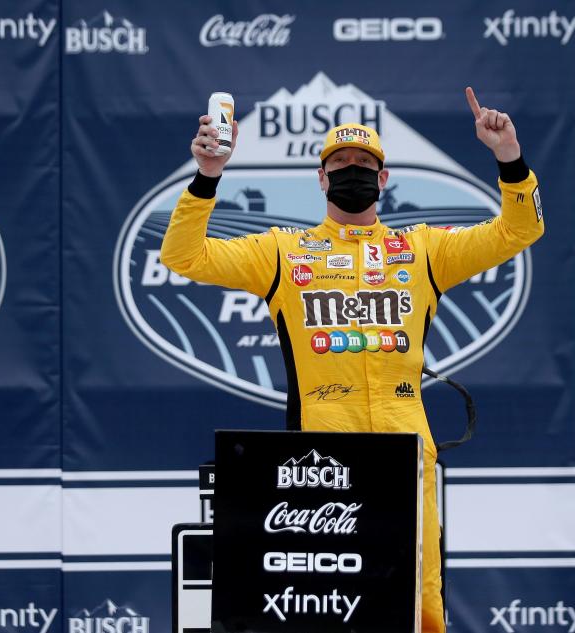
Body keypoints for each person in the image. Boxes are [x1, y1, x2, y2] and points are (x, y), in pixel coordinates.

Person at [161, 87, 545, 633]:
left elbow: (521, 228)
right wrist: (207, 175)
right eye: (339, 163)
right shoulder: (282, 251)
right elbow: (182, 255)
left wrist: (508, 157)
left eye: (365, 163)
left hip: (406, 441)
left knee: (420, 596)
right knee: (327, 596)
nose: (352, 170)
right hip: (322, 444)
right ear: (321, 178)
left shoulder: (423, 249)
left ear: (384, 179)